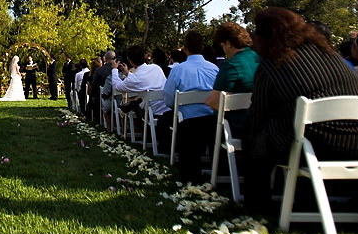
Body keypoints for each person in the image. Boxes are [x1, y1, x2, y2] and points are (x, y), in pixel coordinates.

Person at [244, 7, 358, 217]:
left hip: (317, 146)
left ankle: (257, 205)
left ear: (265, 36)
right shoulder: (331, 56)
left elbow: (258, 115)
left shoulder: (273, 64)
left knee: (257, 139)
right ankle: (305, 198)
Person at [162, 31, 219, 184]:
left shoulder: (178, 70)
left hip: (188, 123)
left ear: (185, 49)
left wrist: (177, 107)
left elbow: (168, 98)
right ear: (202, 47)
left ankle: (189, 172)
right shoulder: (214, 69)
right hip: (212, 122)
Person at [205, 22, 260, 138]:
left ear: (228, 44)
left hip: (236, 125)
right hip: (260, 122)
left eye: (223, 45)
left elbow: (215, 103)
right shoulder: (258, 57)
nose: (224, 50)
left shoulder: (230, 65)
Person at [111, 46, 169, 147]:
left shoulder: (136, 79)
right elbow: (141, 79)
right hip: (166, 106)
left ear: (130, 60)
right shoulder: (156, 68)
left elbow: (117, 86)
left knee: (136, 105)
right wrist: (128, 73)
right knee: (137, 103)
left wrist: (114, 70)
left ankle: (146, 136)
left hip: (152, 111)